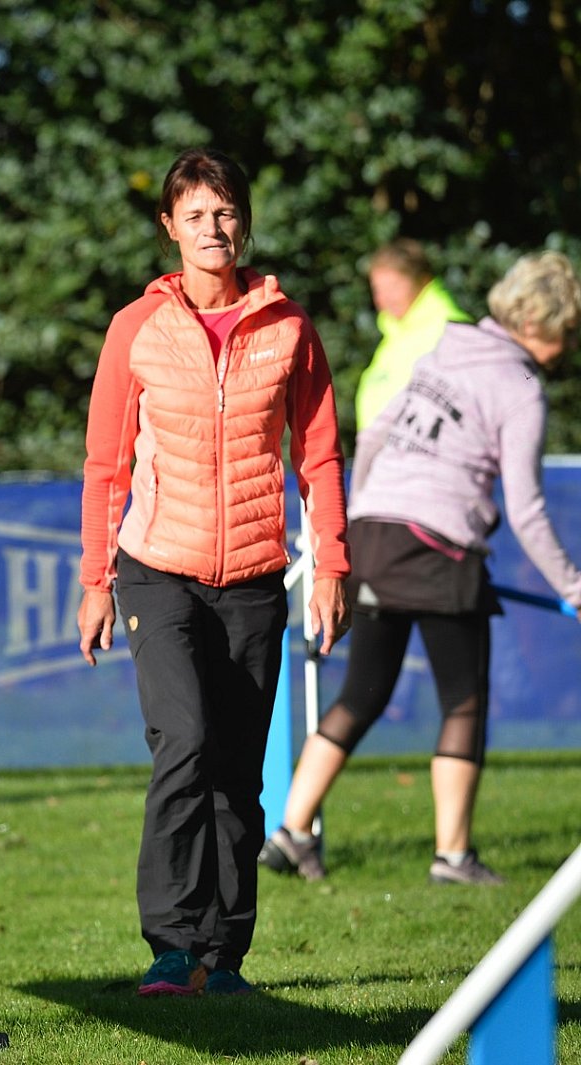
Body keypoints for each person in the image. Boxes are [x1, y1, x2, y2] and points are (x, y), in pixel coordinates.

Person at [77, 147, 351, 997]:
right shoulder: (136, 327)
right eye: (195, 214)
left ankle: (224, 955)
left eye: (225, 211)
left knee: (237, 769)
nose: (213, 228)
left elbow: (318, 454)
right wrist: (95, 580)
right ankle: (170, 943)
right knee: (185, 741)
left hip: (256, 578)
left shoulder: (289, 326)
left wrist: (332, 564)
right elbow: (106, 466)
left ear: (245, 222)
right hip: (157, 569)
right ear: (170, 226)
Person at [261, 251, 581, 887]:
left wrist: (361, 519)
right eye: (569, 330)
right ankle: (453, 857)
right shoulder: (520, 385)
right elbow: (526, 508)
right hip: (439, 548)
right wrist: (574, 586)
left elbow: (377, 436)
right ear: (540, 323)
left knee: (361, 694)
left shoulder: (443, 351)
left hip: (376, 533)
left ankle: (292, 833)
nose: (569, 345)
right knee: (463, 701)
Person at [354, 239, 471, 431]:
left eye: (394, 286)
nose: (384, 298)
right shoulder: (393, 335)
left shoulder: (452, 331)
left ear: (423, 281)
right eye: (377, 289)